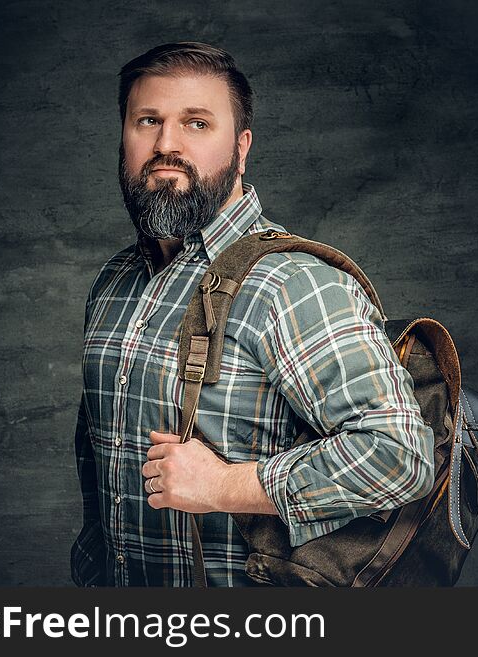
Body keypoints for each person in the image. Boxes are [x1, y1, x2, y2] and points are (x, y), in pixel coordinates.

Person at [70, 42, 434, 586]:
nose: (166, 144)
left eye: (196, 123)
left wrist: (224, 487)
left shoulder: (292, 284)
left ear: (241, 148)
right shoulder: (114, 283)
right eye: (148, 120)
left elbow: (400, 456)